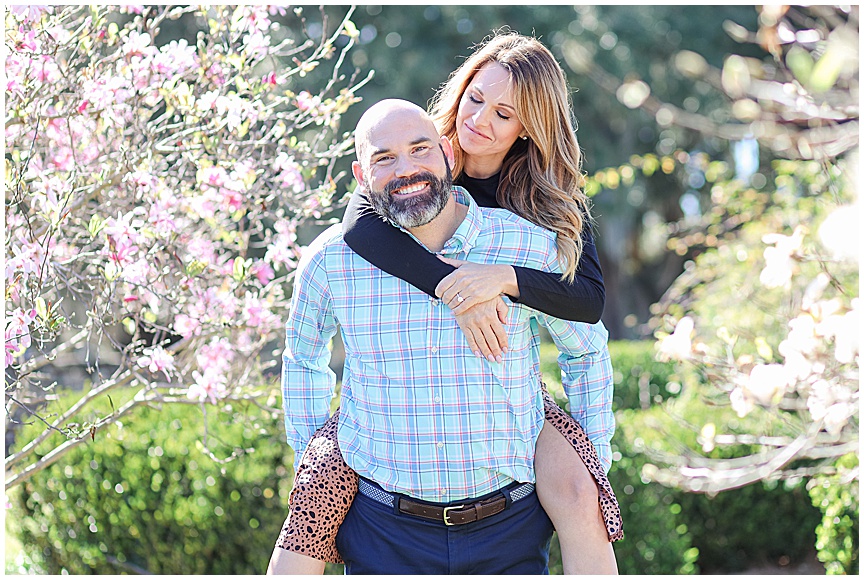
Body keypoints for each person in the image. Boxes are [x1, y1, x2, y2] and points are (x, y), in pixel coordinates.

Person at [268, 32, 622, 575]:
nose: (479, 119)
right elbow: (360, 226)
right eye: (475, 98)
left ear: (527, 126)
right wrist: (452, 289)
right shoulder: (417, 150)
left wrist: (500, 279)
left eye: (504, 113)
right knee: (314, 497)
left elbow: (587, 303)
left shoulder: (541, 210)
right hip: (383, 440)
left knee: (579, 492)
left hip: (507, 403)